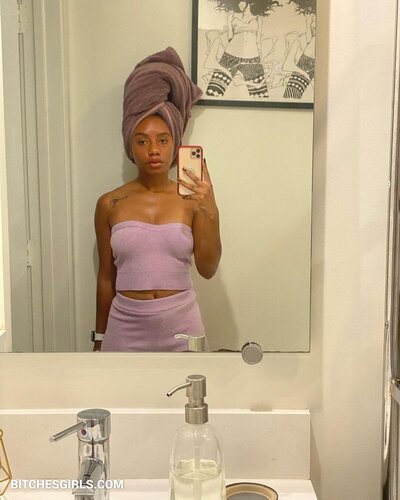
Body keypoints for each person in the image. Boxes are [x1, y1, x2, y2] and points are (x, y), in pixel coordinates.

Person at [92, 47, 222, 352]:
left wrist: (211, 211)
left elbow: (207, 269)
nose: (153, 150)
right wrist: (98, 338)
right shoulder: (109, 204)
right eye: (142, 141)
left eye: (163, 140)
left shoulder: (193, 200)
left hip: (183, 328)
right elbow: (106, 277)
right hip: (125, 328)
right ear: (130, 146)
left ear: (175, 144)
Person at [205, 0, 280, 99]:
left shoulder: (258, 19)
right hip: (230, 56)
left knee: (260, 96)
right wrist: (229, 22)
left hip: (252, 58)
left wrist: (260, 55)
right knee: (214, 91)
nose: (240, 4)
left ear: (250, 2)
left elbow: (258, 41)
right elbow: (230, 38)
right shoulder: (233, 17)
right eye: (238, 2)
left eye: (242, 1)